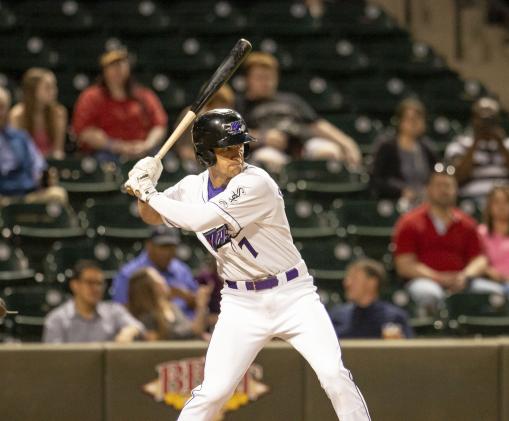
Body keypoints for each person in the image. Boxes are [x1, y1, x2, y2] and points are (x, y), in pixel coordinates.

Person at [124, 109, 370, 420]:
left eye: (239, 145)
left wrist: (149, 191)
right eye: (226, 148)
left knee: (333, 374)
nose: (236, 154)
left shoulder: (257, 182)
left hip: (292, 294)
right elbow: (151, 216)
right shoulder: (190, 188)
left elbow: (201, 218)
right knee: (212, 392)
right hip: (241, 303)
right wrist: (145, 186)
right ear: (205, 154)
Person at [235, 52, 361, 169]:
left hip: (302, 145)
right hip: (268, 149)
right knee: (267, 159)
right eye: (260, 77)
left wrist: (348, 144)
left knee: (329, 152)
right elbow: (233, 134)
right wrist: (262, 138)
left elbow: (317, 125)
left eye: (270, 77)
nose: (266, 82)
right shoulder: (240, 104)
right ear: (247, 79)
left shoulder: (292, 100)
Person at [392, 166, 487, 316]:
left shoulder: (467, 223)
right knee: (430, 294)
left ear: (456, 190)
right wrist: (439, 278)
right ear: (428, 189)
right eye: (439, 186)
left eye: (448, 186)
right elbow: (404, 265)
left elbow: (480, 260)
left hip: (461, 281)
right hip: (425, 280)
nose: (444, 190)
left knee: (492, 292)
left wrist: (465, 276)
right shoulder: (409, 222)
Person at [71, 49, 167, 161]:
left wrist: (147, 144)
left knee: (164, 161)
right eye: (113, 65)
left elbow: (160, 125)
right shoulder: (91, 96)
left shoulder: (144, 95)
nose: (118, 69)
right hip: (106, 153)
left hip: (145, 151)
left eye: (122, 64)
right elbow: (84, 131)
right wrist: (117, 146)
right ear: (104, 69)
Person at [445, 97, 509, 200]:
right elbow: (457, 176)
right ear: (473, 119)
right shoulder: (460, 144)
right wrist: (475, 143)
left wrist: (501, 145)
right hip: (470, 200)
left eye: (491, 119)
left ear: (498, 120)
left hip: (505, 201)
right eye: (482, 118)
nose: (486, 124)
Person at [43, 260, 144, 343]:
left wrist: (129, 331)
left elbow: (138, 327)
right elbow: (54, 359)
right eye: (90, 282)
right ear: (75, 285)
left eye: (99, 283)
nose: (96, 288)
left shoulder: (114, 311)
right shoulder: (57, 319)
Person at [112, 225, 199, 319]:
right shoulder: (129, 273)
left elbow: (197, 302)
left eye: (171, 247)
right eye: (163, 247)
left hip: (186, 326)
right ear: (149, 246)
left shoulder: (182, 270)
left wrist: (186, 296)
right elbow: (120, 310)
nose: (168, 252)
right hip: (149, 328)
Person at [0, 86, 67, 205]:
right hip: (2, 197)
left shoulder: (21, 138)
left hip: (25, 195)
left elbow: (38, 165)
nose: (1, 112)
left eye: (2, 107)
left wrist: (43, 176)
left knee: (57, 194)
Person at [371, 98, 438, 206]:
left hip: (424, 202)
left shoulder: (427, 147)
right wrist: (401, 191)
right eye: (411, 119)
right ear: (400, 121)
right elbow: (377, 180)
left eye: (419, 119)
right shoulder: (387, 146)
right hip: (394, 203)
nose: (415, 124)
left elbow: (435, 176)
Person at [329, 259, 412, 339]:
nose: (347, 283)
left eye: (354, 278)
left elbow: (408, 351)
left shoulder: (394, 318)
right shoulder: (337, 317)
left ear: (372, 282)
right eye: (347, 278)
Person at [127, 267, 211, 340]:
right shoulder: (146, 317)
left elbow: (194, 330)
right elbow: (190, 332)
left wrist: (201, 306)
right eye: (158, 277)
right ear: (148, 288)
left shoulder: (173, 308)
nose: (163, 279)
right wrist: (200, 306)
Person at [174, 85, 235, 172]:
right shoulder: (191, 115)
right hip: (193, 161)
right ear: (209, 104)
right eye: (220, 105)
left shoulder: (228, 118)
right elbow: (183, 149)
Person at [9, 67, 67, 158]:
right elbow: (16, 150)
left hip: (50, 165)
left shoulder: (59, 113)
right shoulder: (17, 115)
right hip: (25, 165)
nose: (54, 91)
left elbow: (58, 151)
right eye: (48, 87)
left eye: (54, 86)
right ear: (33, 90)